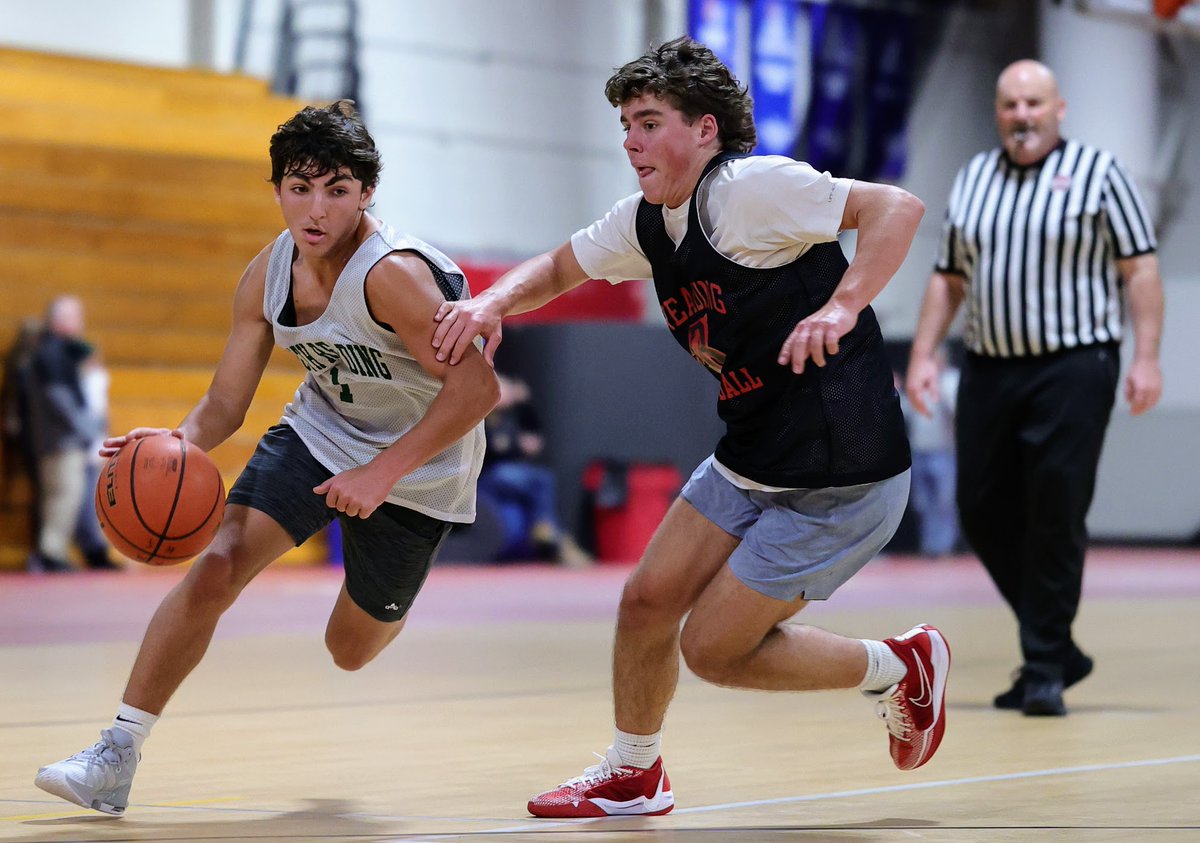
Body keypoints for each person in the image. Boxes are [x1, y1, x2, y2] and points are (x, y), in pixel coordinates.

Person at [432, 36, 948, 818]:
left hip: (841, 468)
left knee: (712, 648)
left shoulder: (747, 190)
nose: (631, 141)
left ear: (705, 130)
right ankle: (634, 772)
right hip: (755, 451)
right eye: (625, 125)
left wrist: (842, 305)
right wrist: (489, 302)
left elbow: (894, 207)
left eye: (648, 121)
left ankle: (899, 666)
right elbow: (564, 266)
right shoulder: (648, 222)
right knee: (645, 600)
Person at [34, 100, 500, 815]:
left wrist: (380, 475)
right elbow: (226, 404)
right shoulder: (266, 274)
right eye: (300, 186)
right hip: (321, 432)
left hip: (418, 467)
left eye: (337, 189)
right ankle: (115, 755)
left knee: (349, 648)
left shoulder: (391, 276)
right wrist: (176, 445)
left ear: (366, 193)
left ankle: (390, 592)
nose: (316, 208)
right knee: (218, 561)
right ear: (277, 187)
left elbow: (477, 390)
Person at [905, 60, 1164, 717]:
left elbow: (1139, 271)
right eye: (1011, 105)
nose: (1022, 115)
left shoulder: (1102, 175)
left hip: (1075, 365)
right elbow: (948, 277)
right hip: (991, 364)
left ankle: (1044, 664)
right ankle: (1056, 644)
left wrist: (1147, 358)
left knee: (1055, 505)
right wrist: (925, 353)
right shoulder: (974, 178)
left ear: (1059, 109)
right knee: (981, 504)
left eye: (1034, 104)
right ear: (999, 112)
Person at [20, 296, 114, 572]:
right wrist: (87, 429)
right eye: (75, 316)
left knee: (74, 497)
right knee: (63, 495)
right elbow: (58, 400)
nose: (80, 322)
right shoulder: (51, 353)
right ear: (58, 320)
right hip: (60, 441)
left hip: (65, 439)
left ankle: (71, 550)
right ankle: (51, 553)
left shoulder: (59, 352)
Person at [477, 372, 588, 565]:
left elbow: (533, 432)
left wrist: (523, 404)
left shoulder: (510, 417)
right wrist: (519, 446)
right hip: (489, 474)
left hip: (511, 471)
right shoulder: (482, 416)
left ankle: (548, 531)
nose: (507, 394)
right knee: (541, 479)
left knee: (538, 480)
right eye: (502, 389)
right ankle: (546, 525)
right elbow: (494, 450)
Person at [899, 348, 960, 557]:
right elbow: (905, 411)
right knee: (922, 503)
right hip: (919, 451)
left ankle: (943, 547)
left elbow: (956, 409)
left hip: (943, 451)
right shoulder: (917, 383)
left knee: (944, 502)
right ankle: (929, 546)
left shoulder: (950, 380)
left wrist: (940, 386)